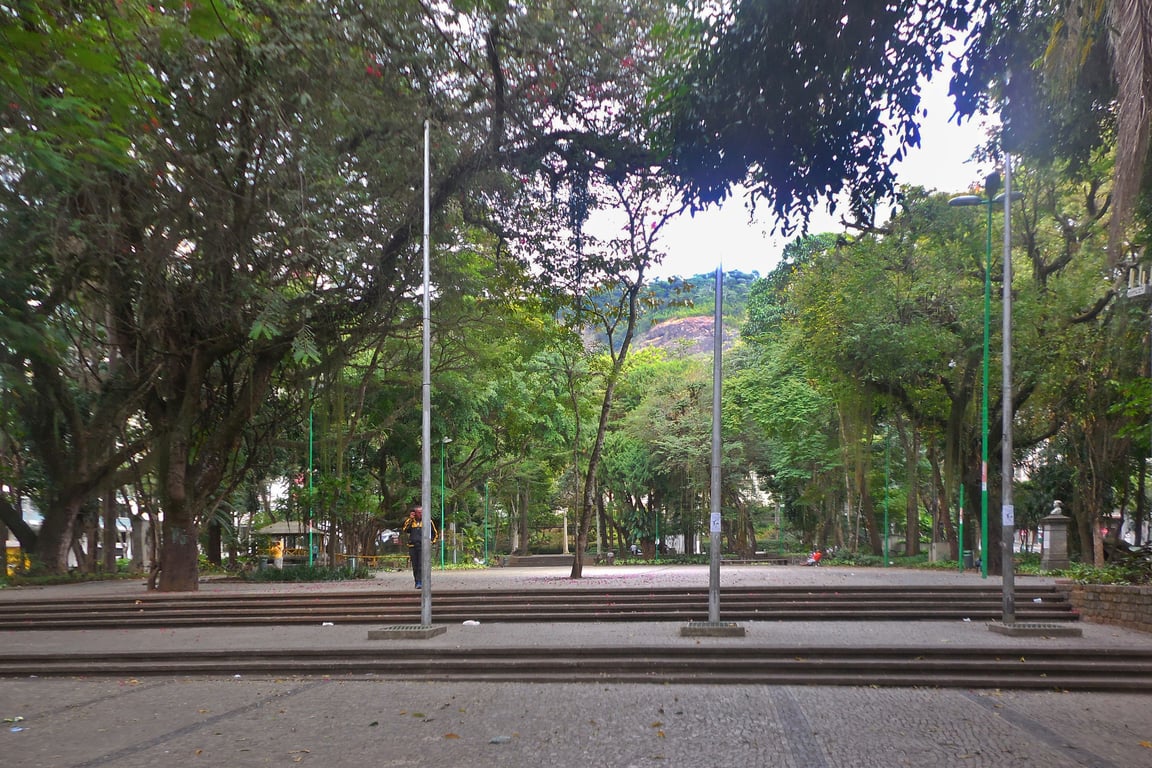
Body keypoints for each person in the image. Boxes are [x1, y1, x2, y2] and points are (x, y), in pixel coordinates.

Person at [401, 505, 438, 588]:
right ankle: (417, 581)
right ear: (414, 513)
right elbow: (405, 529)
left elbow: (435, 534)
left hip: (423, 547)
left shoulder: (428, 521)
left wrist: (431, 542)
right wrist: (410, 519)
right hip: (412, 546)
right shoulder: (411, 522)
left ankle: (420, 582)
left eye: (422, 512)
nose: (421, 514)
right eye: (419, 512)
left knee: (421, 564)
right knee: (415, 565)